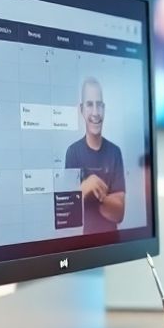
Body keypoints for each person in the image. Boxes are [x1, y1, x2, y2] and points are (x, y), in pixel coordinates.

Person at [64, 76, 125, 234]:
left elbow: (119, 213)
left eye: (99, 105)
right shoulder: (72, 152)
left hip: (113, 245)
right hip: (84, 245)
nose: (95, 112)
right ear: (82, 109)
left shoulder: (115, 152)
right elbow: (67, 211)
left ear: (104, 108)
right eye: (90, 105)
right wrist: (86, 187)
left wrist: (92, 193)